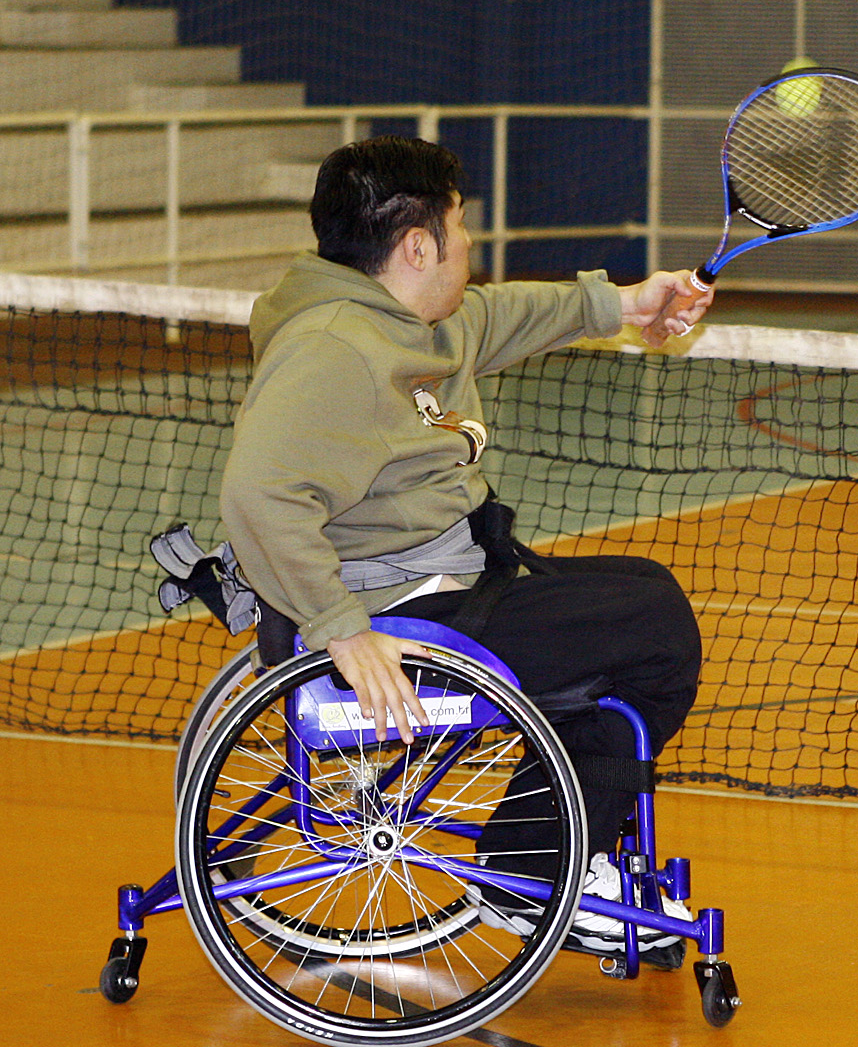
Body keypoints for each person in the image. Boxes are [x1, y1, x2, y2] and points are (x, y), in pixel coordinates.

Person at [218, 134, 713, 956]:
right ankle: (536, 866)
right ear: (419, 246)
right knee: (653, 629)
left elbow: (495, 316)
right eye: (459, 225)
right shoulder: (333, 348)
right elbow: (255, 492)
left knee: (636, 590)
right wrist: (343, 629)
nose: (471, 242)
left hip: (445, 582)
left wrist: (628, 304)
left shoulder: (404, 322)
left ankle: (545, 848)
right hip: (403, 615)